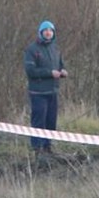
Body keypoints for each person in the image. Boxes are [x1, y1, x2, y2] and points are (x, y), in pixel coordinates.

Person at [22, 19, 67, 154]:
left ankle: (48, 147)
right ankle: (37, 148)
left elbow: (60, 65)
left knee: (51, 121)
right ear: (41, 32)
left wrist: (63, 71)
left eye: (50, 30)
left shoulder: (55, 49)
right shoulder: (32, 49)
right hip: (38, 92)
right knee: (38, 121)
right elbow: (31, 71)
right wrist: (49, 73)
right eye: (46, 30)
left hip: (53, 91)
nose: (48, 33)